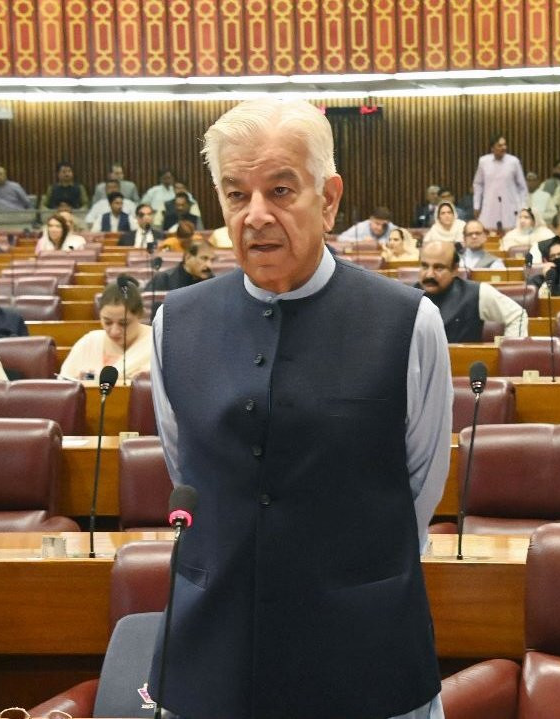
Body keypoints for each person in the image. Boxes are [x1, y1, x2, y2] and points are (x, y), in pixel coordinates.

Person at [148, 98, 450, 719]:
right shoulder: (174, 323)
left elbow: (418, 488)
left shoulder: (407, 322)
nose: (256, 215)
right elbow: (189, 467)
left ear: (330, 198)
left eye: (280, 190)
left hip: (364, 649)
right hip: (216, 650)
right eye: (236, 195)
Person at [420, 239, 526, 342]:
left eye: (438, 268)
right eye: (424, 266)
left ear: (455, 270)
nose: (429, 274)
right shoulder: (408, 296)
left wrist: (508, 350)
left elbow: (518, 315)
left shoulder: (478, 293)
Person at [60, 277, 152, 382]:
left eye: (124, 324)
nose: (114, 331)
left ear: (140, 315)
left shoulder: (158, 345)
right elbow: (65, 383)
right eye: (107, 322)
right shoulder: (90, 342)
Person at [471, 134, 527, 230]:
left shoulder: (514, 161)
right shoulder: (483, 161)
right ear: (492, 148)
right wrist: (476, 205)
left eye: (504, 145)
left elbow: (522, 187)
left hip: (510, 206)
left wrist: (523, 207)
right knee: (489, 235)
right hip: (490, 206)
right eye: (499, 145)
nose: (503, 148)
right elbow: (478, 184)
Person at [144, 239, 215, 292]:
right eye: (204, 258)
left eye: (212, 260)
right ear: (188, 257)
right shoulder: (164, 279)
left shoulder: (212, 281)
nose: (209, 265)